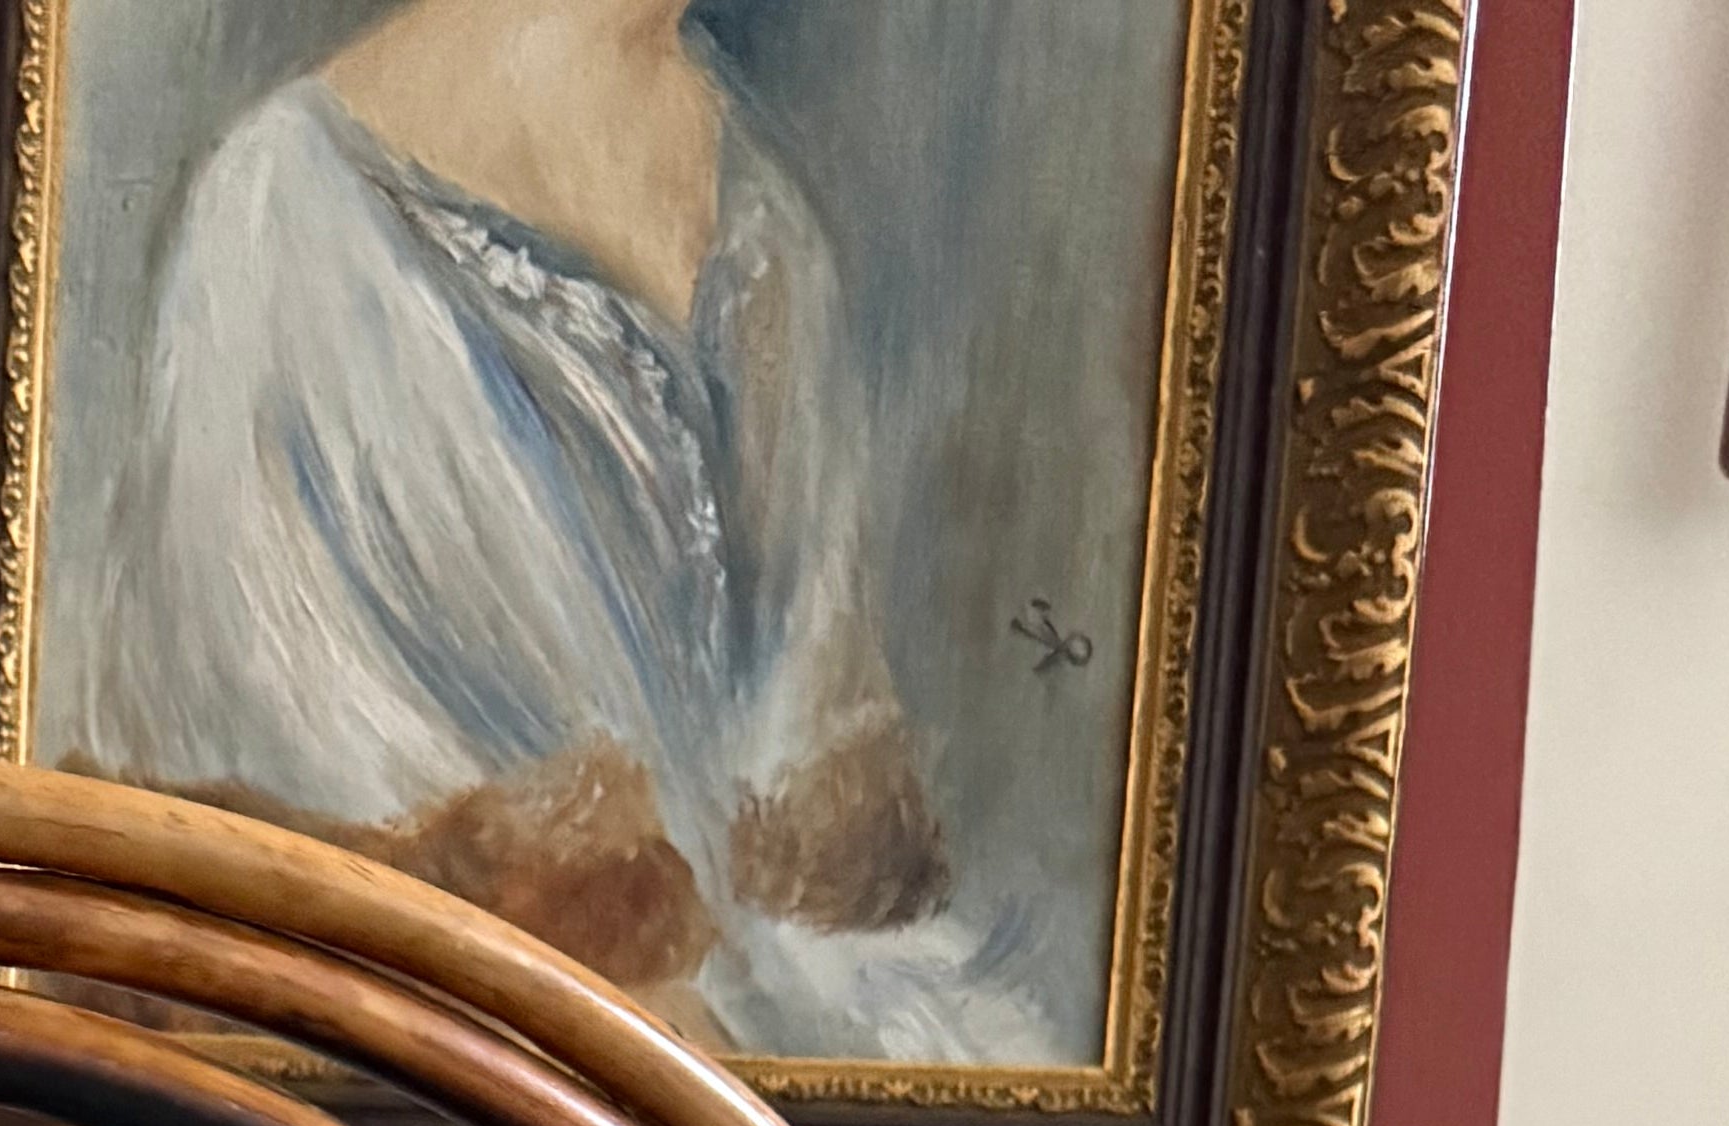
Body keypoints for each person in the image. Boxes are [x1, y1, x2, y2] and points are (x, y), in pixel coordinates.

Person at [67, 0, 1066, 1062]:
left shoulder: (766, 222)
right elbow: (285, 831)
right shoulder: (284, 223)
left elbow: (807, 784)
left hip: (768, 1062)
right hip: (452, 1075)